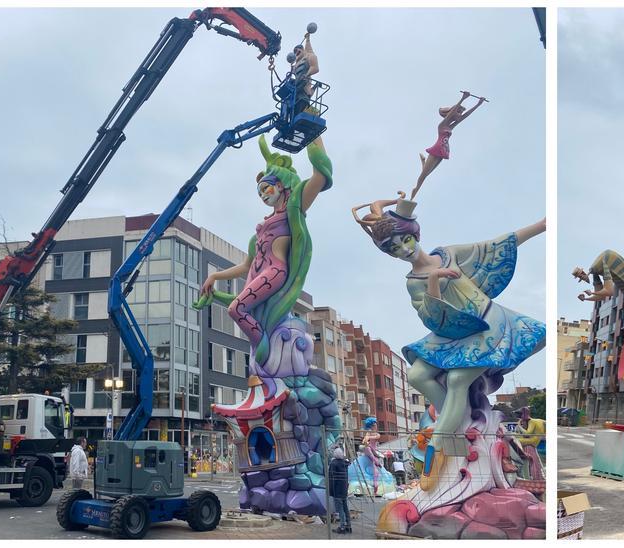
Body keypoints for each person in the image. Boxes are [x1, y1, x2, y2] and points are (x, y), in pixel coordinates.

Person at [352, 195, 545, 489]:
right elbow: (432, 315)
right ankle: (458, 424)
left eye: (405, 241)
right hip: (450, 331)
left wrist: (541, 226)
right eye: (395, 248)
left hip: (484, 325)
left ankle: (439, 443)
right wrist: (435, 279)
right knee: (417, 374)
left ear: (414, 233)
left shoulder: (449, 253)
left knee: (457, 381)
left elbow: (493, 247)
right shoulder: (413, 281)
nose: (404, 250)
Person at [199, 135, 332, 367]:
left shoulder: (293, 209)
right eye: (259, 192)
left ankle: (263, 347)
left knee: (236, 309)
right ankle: (264, 350)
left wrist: (314, 133)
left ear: (280, 185)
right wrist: (214, 276)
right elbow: (245, 266)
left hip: (276, 272)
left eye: (266, 188)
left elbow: (319, 176)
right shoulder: (258, 235)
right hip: (260, 274)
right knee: (241, 307)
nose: (263, 195)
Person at [411, 91, 488, 200]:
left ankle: (423, 162)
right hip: (437, 149)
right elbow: (451, 113)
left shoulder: (451, 127)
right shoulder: (442, 125)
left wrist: (478, 104)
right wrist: (462, 99)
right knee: (423, 177)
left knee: (427, 173)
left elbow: (465, 116)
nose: (460, 114)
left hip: (444, 151)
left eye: (460, 112)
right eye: (459, 112)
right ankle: (412, 197)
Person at [328, 445, 351, 534]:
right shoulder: (345, 464)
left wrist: (331, 491)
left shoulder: (333, 464)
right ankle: (348, 526)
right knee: (345, 508)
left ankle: (342, 527)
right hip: (344, 489)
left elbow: (332, 478)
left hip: (337, 490)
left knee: (340, 509)